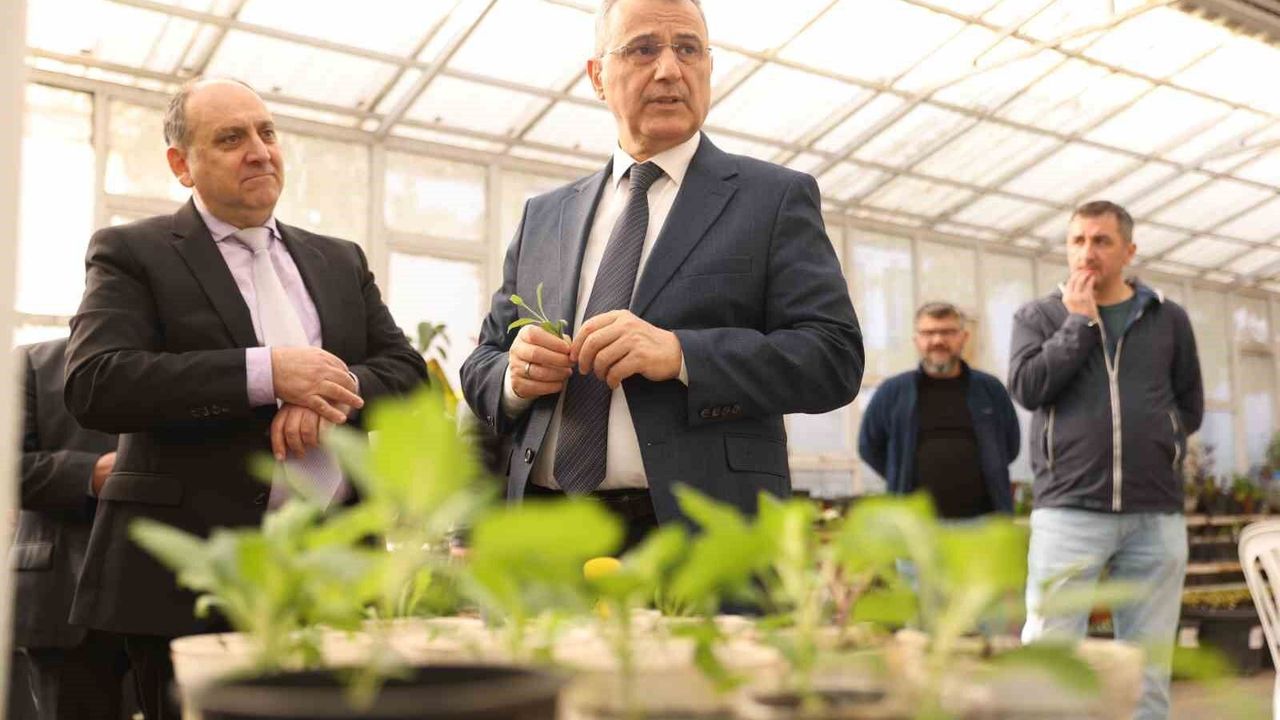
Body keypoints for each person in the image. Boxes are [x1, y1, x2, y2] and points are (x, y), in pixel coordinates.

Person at [64, 77, 427, 719]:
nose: (259, 151)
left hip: (337, 569)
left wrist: (327, 393)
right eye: (231, 139)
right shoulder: (133, 252)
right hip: (195, 581)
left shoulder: (339, 260)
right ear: (181, 164)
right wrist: (266, 374)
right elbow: (97, 382)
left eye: (267, 132)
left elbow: (406, 373)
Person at [460, 0, 862, 547]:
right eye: (644, 48)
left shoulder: (773, 199)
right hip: (545, 532)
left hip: (701, 535)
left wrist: (681, 354)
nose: (670, 69)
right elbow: (483, 360)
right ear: (597, 77)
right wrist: (514, 377)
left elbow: (833, 356)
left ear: (709, 68)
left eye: (688, 49)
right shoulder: (545, 216)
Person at [1009, 200, 1203, 720]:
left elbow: (1189, 405)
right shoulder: (1039, 316)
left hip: (1154, 514)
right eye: (1078, 240)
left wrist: (1161, 438)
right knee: (1050, 652)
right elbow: (1027, 388)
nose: (1087, 252)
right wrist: (1077, 323)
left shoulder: (1168, 318)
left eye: (1101, 240)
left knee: (1148, 665)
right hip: (1068, 511)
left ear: (1129, 250)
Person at [11, 337, 132, 720]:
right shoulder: (32, 361)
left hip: (166, 594)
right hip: (62, 594)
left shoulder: (183, 363)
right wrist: (91, 473)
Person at [858, 302, 1019, 518]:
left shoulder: (990, 389)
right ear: (916, 340)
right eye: (928, 333)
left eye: (947, 332)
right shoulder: (893, 392)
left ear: (964, 337)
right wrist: (900, 472)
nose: (938, 341)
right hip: (916, 525)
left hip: (984, 523)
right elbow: (868, 446)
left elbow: (1010, 445)